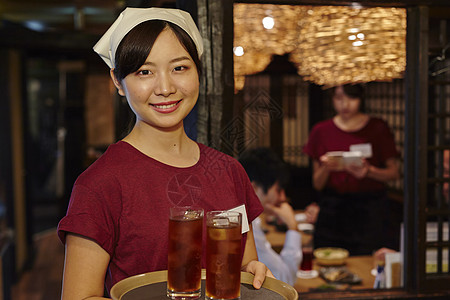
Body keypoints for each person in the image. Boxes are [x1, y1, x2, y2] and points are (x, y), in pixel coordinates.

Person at [57, 7, 272, 299]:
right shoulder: (99, 184)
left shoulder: (229, 171)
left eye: (179, 68)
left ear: (198, 72)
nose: (166, 87)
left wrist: (253, 273)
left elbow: (244, 265)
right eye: (144, 72)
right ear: (118, 82)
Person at [303, 83, 400, 255]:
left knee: (367, 261)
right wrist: (327, 167)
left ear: (360, 99)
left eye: (351, 98)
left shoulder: (378, 127)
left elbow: (394, 173)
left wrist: (369, 171)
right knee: (328, 258)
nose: (345, 104)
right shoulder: (321, 131)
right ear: (333, 99)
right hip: (333, 209)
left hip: (370, 209)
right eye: (339, 98)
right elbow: (317, 184)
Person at [239, 147, 302, 286]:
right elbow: (284, 280)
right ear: (254, 188)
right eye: (278, 190)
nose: (283, 197)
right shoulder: (249, 225)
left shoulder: (251, 219)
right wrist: (293, 227)